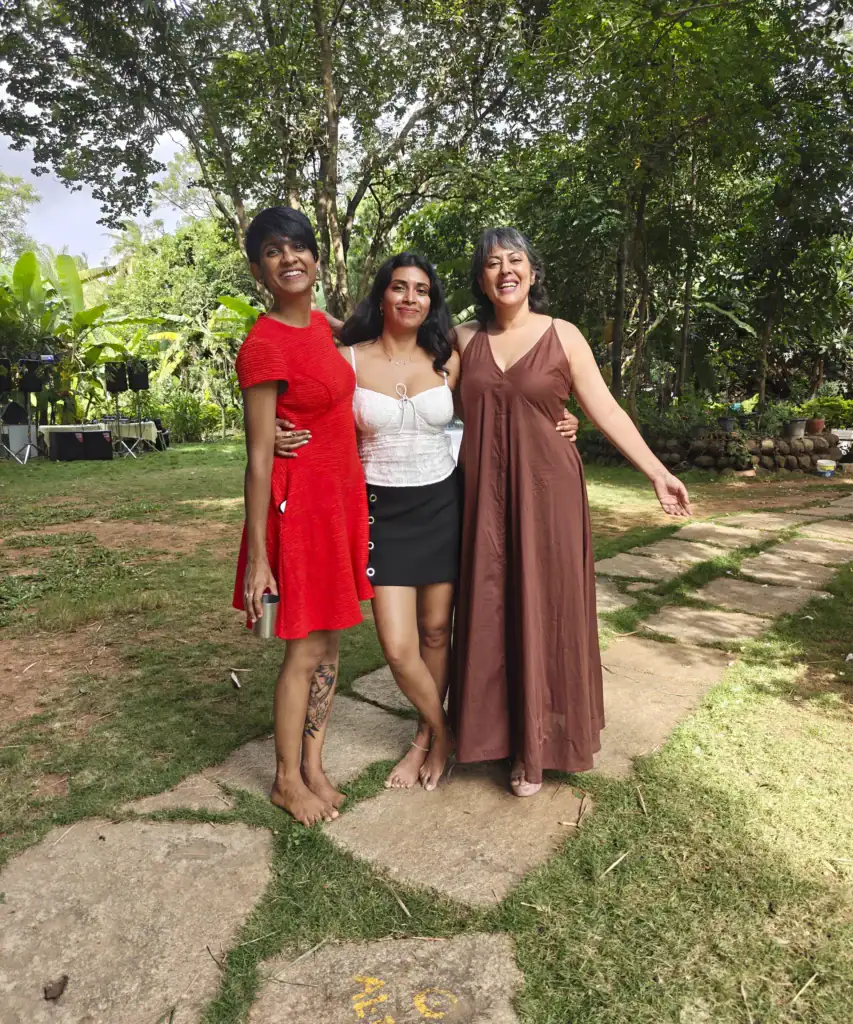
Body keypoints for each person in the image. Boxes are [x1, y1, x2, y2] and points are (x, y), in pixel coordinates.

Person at [274, 252, 579, 791]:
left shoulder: (448, 356)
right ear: (383, 294)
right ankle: (443, 732)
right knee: (397, 644)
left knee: (438, 631)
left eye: (421, 290)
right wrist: (272, 431)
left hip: (444, 503)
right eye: (399, 288)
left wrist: (558, 413)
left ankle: (422, 742)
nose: (410, 298)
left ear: (432, 302)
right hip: (381, 512)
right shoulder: (347, 358)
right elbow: (301, 379)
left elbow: (501, 393)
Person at [451, 227, 692, 797]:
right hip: (483, 496)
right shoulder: (461, 338)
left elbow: (603, 407)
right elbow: (399, 367)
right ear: (480, 279)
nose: (505, 270)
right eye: (492, 263)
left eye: (515, 260)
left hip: (549, 492)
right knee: (490, 604)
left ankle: (536, 748)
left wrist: (657, 472)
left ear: (533, 272)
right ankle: (491, 735)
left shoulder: (563, 335)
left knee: (548, 610)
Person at [232, 206, 372, 827]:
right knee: (302, 650)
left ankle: (314, 764)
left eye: (298, 248)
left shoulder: (323, 325)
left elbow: (386, 334)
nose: (289, 259)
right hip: (299, 510)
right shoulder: (263, 346)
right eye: (272, 251)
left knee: (331, 641)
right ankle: (286, 780)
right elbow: (258, 458)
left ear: (315, 259)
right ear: (258, 268)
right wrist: (259, 558)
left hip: (339, 501)